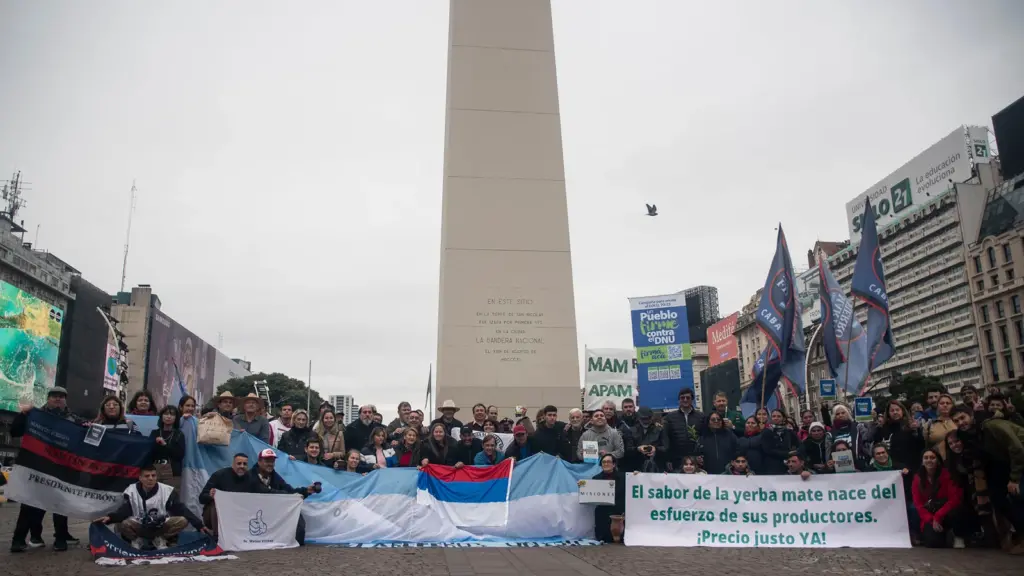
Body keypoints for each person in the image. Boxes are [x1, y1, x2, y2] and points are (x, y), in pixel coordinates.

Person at [9, 387, 82, 553]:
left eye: (61, 397)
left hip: (61, 468)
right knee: (29, 504)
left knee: (60, 504)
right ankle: (18, 540)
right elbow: (15, 432)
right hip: (36, 466)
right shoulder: (34, 414)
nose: (58, 399)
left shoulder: (73, 419)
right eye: (54, 396)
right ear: (48, 398)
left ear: (66, 400)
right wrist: (23, 414)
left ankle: (60, 539)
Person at [951, 405, 1024, 549]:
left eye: (962, 418)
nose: (960, 423)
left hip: (1018, 460)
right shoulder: (966, 435)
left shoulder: (991, 425)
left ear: (971, 416)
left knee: (1018, 497)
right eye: (956, 421)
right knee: (998, 499)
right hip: (1001, 464)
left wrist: (1014, 479)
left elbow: (1017, 448)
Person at [94, 464, 207, 550]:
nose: (150, 478)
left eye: (153, 475)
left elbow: (181, 509)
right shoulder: (131, 490)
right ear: (140, 478)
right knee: (123, 524)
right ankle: (137, 540)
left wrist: (198, 524)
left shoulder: (167, 491)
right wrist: (110, 518)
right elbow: (124, 511)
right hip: (139, 526)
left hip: (160, 526)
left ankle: (161, 539)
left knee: (182, 520)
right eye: (147, 476)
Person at [248, 449, 319, 545]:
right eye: (267, 461)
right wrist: (285, 495)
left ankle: (298, 548)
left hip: (274, 511)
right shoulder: (250, 476)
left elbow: (290, 491)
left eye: (272, 461)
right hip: (253, 513)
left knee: (297, 516)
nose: (270, 464)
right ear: (259, 462)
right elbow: (265, 491)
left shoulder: (275, 476)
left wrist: (306, 491)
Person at [912, 449, 965, 548]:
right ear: (922, 461)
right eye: (926, 458)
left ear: (938, 460)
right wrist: (931, 519)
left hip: (946, 511)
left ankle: (958, 535)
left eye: (932, 458)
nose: (929, 460)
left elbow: (955, 499)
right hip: (930, 514)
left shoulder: (947, 475)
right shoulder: (917, 478)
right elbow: (918, 504)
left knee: (958, 510)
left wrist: (938, 516)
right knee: (933, 543)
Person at [198, 453, 254, 533]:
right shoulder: (219, 475)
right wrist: (210, 496)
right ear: (233, 464)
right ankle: (217, 538)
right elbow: (201, 498)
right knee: (215, 503)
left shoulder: (251, 478)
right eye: (239, 463)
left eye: (244, 464)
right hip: (216, 515)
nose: (242, 466)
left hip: (239, 514)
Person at [661, 388, 704, 470]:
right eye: (682, 398)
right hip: (677, 460)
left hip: (695, 460)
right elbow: (667, 439)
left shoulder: (701, 416)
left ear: (692, 400)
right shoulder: (670, 417)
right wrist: (668, 459)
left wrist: (702, 455)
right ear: (679, 400)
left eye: (688, 398)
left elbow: (703, 437)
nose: (685, 400)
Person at [590, 454, 625, 543]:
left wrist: (637, 475)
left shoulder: (624, 477)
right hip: (604, 511)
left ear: (614, 464)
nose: (606, 464)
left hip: (618, 510)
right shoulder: (596, 478)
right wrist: (583, 486)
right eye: (604, 462)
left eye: (608, 462)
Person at [150, 406, 185, 490]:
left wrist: (165, 444)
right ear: (161, 416)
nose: (169, 416)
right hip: (155, 470)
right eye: (166, 414)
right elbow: (149, 452)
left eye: (172, 414)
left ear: (176, 418)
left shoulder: (179, 434)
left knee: (171, 498)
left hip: (173, 471)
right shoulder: (155, 433)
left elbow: (180, 455)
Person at [761, 409, 800, 475]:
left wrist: (795, 452)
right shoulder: (766, 431)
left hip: (788, 464)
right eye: (774, 416)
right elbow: (767, 450)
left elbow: (799, 444)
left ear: (783, 418)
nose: (776, 418)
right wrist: (787, 453)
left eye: (778, 416)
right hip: (772, 465)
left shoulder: (789, 431)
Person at [828, 404, 866, 469]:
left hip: (858, 466)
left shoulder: (857, 427)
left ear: (847, 414)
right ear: (834, 416)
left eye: (843, 413)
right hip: (838, 467)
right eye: (837, 414)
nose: (840, 415)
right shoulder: (831, 433)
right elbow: (829, 452)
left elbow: (867, 437)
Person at [631, 407, 665, 472]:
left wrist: (655, 449)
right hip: (636, 467)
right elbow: (628, 449)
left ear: (652, 417)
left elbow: (666, 447)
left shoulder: (659, 429)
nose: (646, 421)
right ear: (638, 418)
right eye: (643, 419)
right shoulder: (632, 430)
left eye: (648, 419)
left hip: (656, 466)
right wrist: (638, 449)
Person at [925, 394, 958, 459]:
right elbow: (926, 445)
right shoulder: (929, 424)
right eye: (942, 403)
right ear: (937, 406)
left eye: (948, 403)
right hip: (939, 461)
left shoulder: (958, 421)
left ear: (952, 405)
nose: (945, 405)